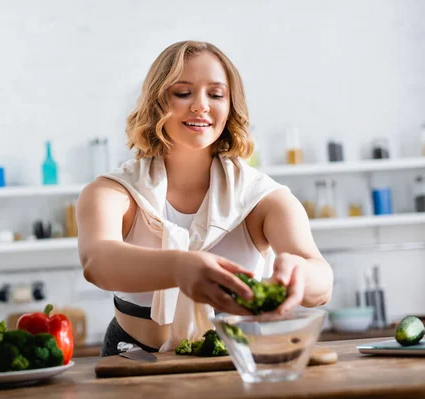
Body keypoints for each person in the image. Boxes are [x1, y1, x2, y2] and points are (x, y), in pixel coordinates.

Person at [76, 40, 333, 357]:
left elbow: (321, 281)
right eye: (183, 93)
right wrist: (179, 267)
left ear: (230, 107)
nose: (201, 105)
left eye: (216, 94)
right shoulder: (112, 193)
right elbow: (97, 262)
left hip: (234, 358)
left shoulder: (264, 199)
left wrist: (300, 275)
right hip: (133, 357)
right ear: (157, 102)